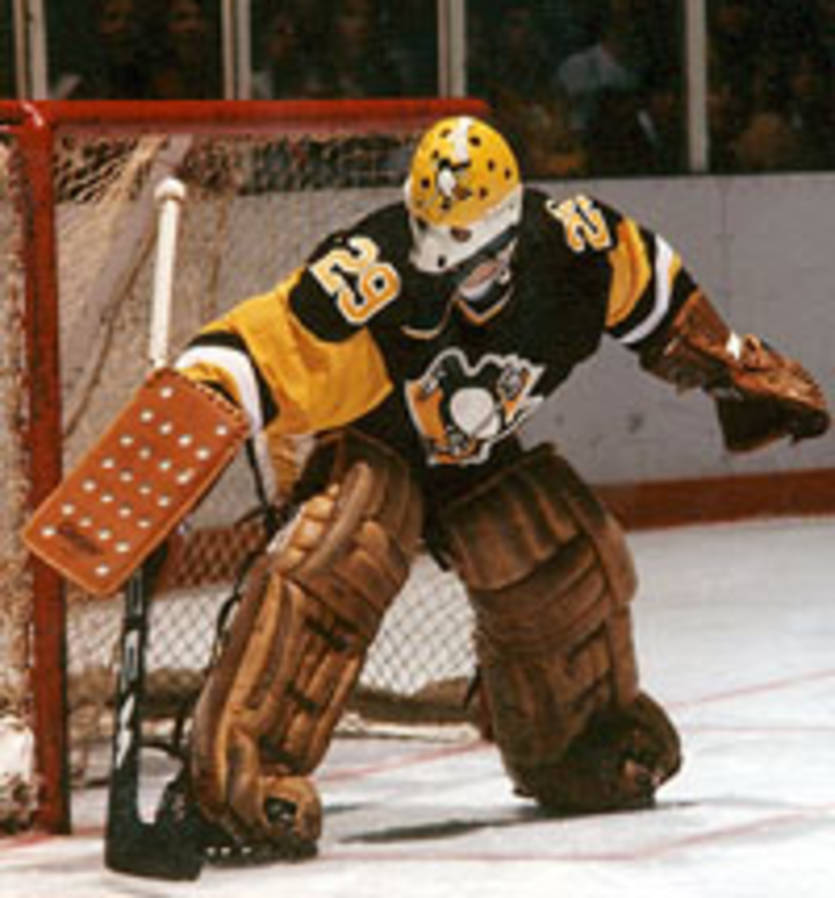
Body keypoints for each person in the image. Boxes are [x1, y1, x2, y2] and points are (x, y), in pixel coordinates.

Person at [25, 116, 830, 864]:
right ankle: (239, 783)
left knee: (561, 552)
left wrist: (728, 362)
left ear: (508, 234)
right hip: (373, 444)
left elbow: (652, 287)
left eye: (471, 259)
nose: (449, 273)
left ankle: (576, 748)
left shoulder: (574, 249)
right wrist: (177, 430)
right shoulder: (371, 273)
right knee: (338, 556)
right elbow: (257, 346)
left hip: (472, 453)